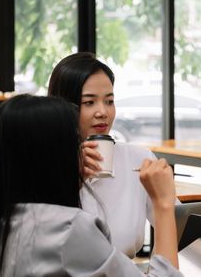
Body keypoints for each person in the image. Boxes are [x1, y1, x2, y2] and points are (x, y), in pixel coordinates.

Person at [0, 94, 189, 277]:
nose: (102, 112)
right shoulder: (69, 229)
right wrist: (163, 205)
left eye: (109, 101)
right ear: (55, 155)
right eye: (75, 142)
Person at [48, 52, 163, 258]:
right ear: (63, 106)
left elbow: (181, 230)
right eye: (89, 102)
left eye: (109, 101)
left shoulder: (138, 159)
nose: (103, 112)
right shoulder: (45, 163)